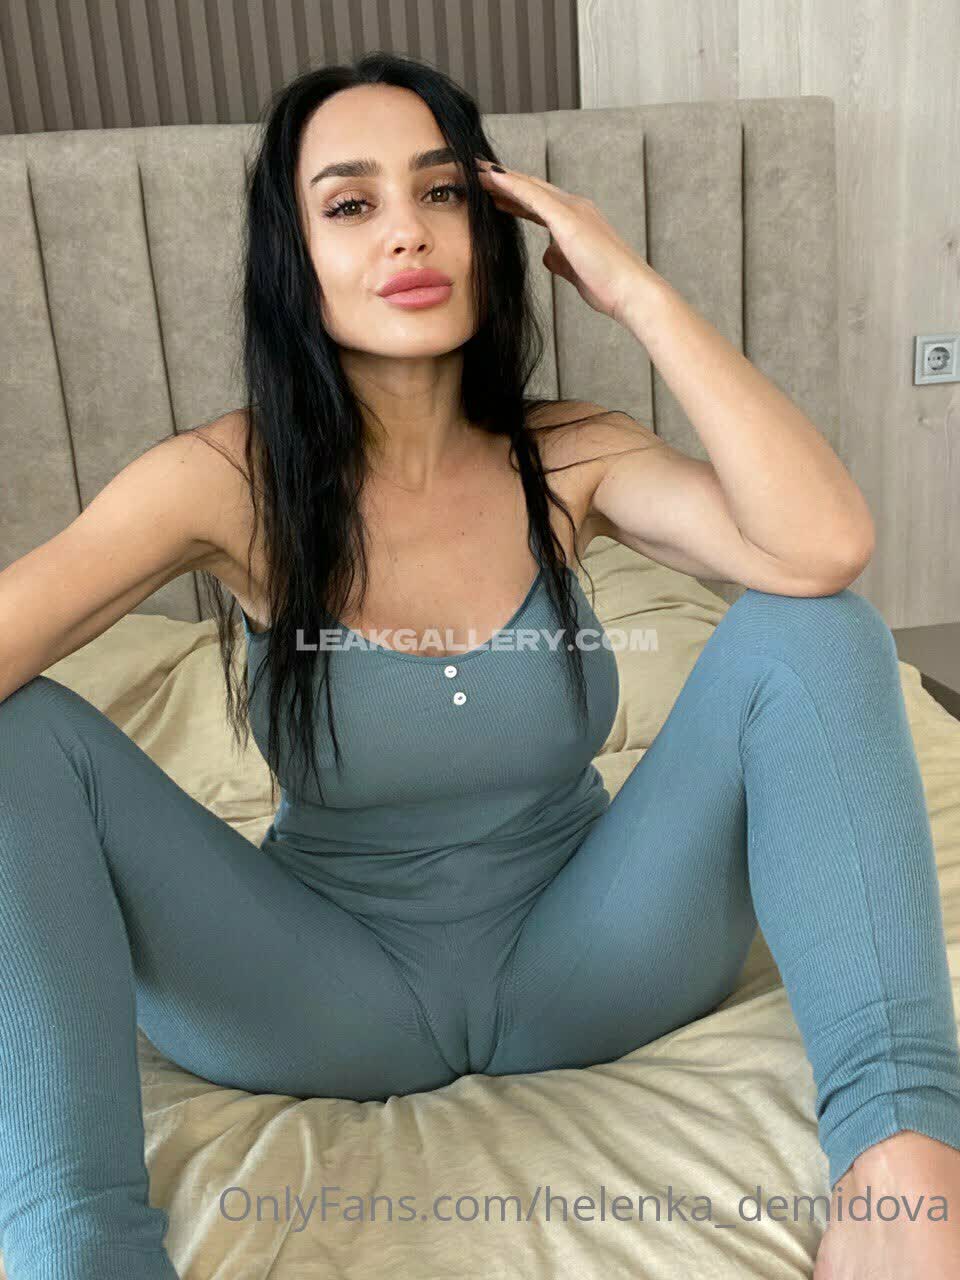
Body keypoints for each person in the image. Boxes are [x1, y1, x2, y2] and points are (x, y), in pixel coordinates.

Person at [1, 51, 958, 1280]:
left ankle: (903, 1165)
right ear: (297, 257)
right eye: (352, 203)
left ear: (493, 221)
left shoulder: (570, 455)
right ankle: (78, 1246)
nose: (407, 229)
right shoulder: (225, 480)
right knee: (19, 733)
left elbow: (824, 542)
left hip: (593, 956)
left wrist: (636, 293)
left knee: (817, 626)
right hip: (315, 989)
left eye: (443, 190)